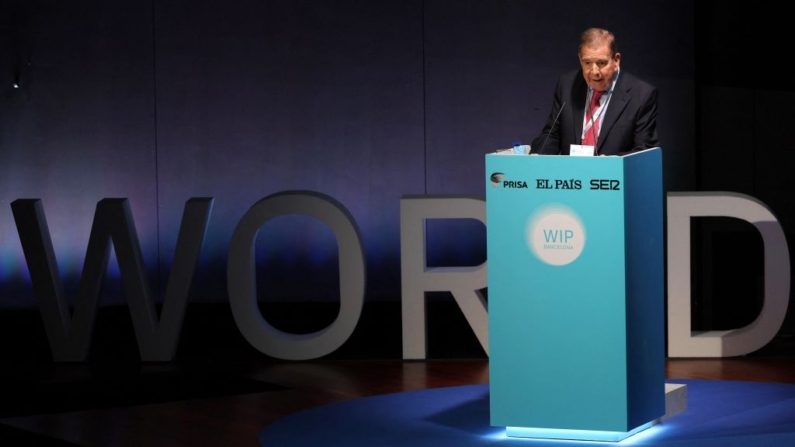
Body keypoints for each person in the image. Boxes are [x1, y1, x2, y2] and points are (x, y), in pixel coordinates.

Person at [530, 28, 659, 156]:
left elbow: (644, 151)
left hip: (611, 175)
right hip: (571, 175)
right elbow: (552, 134)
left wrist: (611, 163)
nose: (594, 72)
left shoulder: (641, 95)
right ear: (580, 60)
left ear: (616, 60)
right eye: (587, 63)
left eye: (601, 63)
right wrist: (539, 155)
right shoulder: (567, 85)